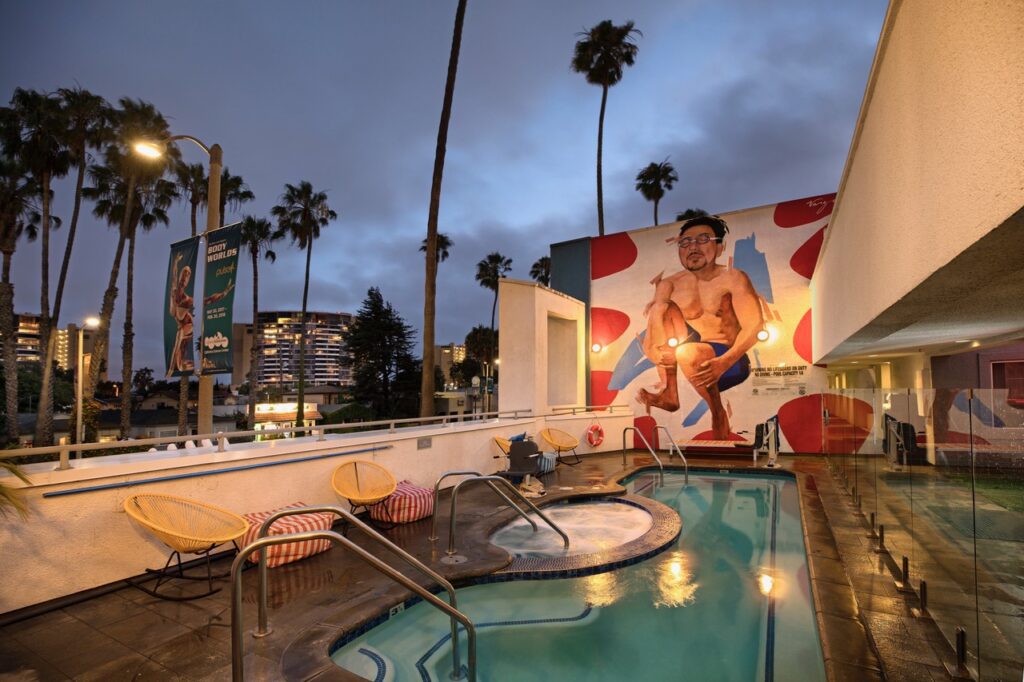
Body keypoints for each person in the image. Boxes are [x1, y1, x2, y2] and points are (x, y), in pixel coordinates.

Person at [638, 215, 764, 439]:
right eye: (685, 242)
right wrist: (658, 354)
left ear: (720, 247)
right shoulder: (670, 285)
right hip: (692, 356)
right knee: (661, 308)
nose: (692, 247)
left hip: (730, 361)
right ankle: (670, 392)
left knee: (687, 350)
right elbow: (655, 328)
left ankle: (717, 412)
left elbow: (755, 326)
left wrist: (722, 362)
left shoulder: (733, 278)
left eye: (703, 239)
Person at [167, 253, 195, 377]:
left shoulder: (187, 300)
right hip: (183, 325)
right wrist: (176, 263)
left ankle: (174, 368)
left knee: (179, 345)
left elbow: (208, 300)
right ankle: (177, 366)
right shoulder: (174, 292)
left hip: (189, 324)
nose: (185, 276)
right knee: (179, 347)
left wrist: (224, 293)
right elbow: (173, 276)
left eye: (188, 274)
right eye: (184, 273)